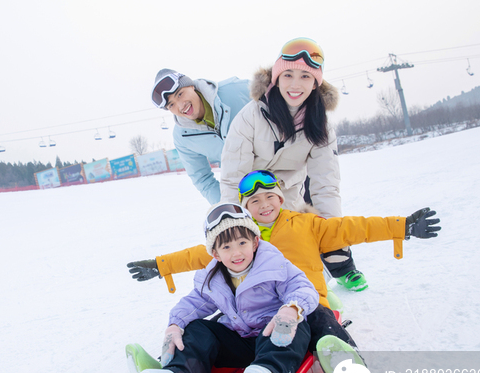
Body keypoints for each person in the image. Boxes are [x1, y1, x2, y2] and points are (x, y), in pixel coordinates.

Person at [127, 169, 440, 356]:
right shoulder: (241, 238)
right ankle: (180, 366)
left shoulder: (307, 224)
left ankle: (346, 359)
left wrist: (403, 226)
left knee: (321, 322)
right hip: (258, 312)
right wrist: (160, 265)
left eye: (270, 198)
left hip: (306, 305)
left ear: (281, 198)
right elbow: (198, 254)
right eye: (254, 202)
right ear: (246, 208)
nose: (264, 206)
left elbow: (355, 227)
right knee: (210, 327)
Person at [134, 203, 319, 373]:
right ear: (215, 254)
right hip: (239, 342)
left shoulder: (275, 265)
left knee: (297, 324)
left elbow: (302, 287)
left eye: (242, 243)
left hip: (275, 337)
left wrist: (291, 309)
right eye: (227, 247)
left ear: (255, 242)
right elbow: (193, 303)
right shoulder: (213, 279)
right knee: (197, 328)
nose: (237, 252)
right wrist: (175, 324)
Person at [217, 38, 366, 292]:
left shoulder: (321, 126)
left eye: (306, 77)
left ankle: (340, 268)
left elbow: (325, 185)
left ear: (316, 84)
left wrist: (332, 233)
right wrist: (231, 226)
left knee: (300, 241)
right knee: (254, 250)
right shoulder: (250, 117)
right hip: (252, 195)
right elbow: (232, 177)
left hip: (288, 196)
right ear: (276, 78)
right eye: (288, 74)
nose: (295, 85)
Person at [151, 69, 250, 204]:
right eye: (171, 105)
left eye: (180, 94)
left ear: (191, 86)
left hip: (282, 176)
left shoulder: (235, 90)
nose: (181, 106)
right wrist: (228, 206)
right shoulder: (183, 137)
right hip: (248, 192)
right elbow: (202, 178)